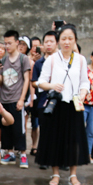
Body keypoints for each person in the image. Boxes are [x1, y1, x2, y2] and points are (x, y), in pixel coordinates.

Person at [35, 25, 89, 185]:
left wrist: (83, 93)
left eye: (70, 39)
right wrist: (52, 86)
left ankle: (73, 175)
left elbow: (85, 81)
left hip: (74, 105)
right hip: (56, 105)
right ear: (59, 41)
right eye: (63, 38)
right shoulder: (51, 59)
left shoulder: (81, 59)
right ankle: (56, 174)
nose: (67, 42)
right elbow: (40, 82)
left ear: (75, 41)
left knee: (74, 141)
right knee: (54, 140)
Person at [0, 30, 31, 169]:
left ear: (17, 42)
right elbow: (1, 81)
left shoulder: (23, 59)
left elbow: (27, 79)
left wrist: (22, 99)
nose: (7, 46)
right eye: (5, 43)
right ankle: (9, 152)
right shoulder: (4, 60)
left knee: (19, 128)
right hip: (4, 99)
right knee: (6, 128)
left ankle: (22, 154)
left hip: (17, 98)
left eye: (9, 43)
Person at [31, 30, 57, 169]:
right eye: (46, 41)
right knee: (45, 130)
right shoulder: (39, 63)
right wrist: (45, 84)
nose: (48, 44)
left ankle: (58, 159)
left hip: (59, 100)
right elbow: (33, 81)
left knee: (58, 131)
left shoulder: (62, 61)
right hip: (43, 100)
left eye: (51, 41)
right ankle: (44, 159)